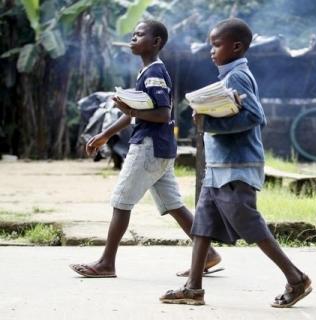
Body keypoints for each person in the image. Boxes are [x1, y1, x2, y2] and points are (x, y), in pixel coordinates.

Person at [160, 18, 312, 307]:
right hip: (219, 167)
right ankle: (193, 287)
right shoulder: (229, 77)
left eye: (216, 45)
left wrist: (208, 123)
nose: (211, 51)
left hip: (235, 167)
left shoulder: (237, 77)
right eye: (210, 45)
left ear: (237, 46)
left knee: (249, 223)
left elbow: (255, 116)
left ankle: (296, 278)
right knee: (202, 225)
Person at [69, 20, 221, 278]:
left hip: (149, 147)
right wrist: (105, 134)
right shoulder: (148, 71)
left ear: (156, 42)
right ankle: (208, 254)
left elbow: (162, 114)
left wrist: (132, 110)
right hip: (160, 148)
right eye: (133, 34)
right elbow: (134, 113)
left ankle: (107, 263)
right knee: (174, 204)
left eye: (139, 35)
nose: (133, 38)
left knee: (121, 202)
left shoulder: (154, 73)